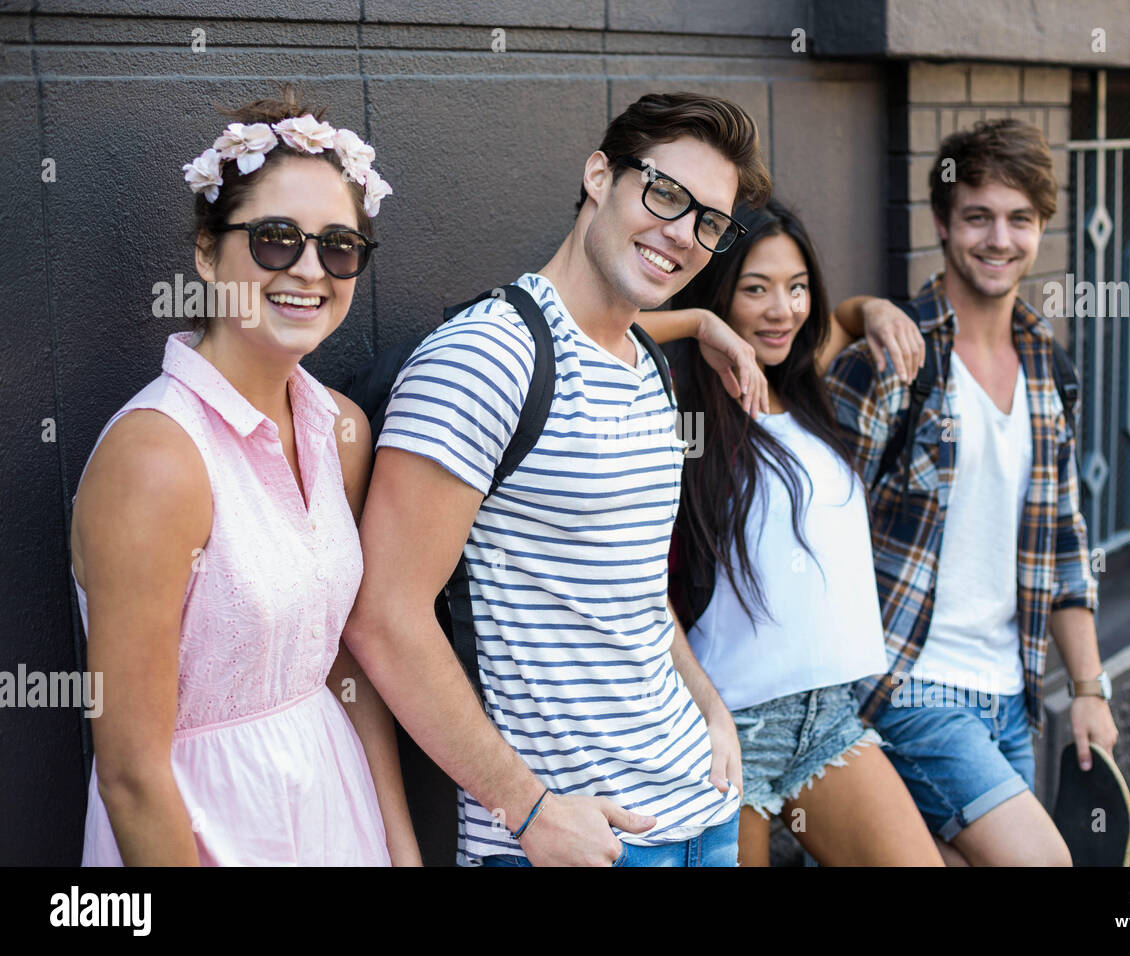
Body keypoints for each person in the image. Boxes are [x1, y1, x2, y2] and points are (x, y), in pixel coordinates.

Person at [344, 92, 772, 866]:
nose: (683, 235)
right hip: (574, 841)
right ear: (600, 176)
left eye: (710, 222)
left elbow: (635, 592)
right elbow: (381, 615)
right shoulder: (486, 358)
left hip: (704, 813)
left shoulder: (649, 370)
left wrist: (709, 705)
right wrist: (529, 808)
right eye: (666, 194)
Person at [69, 87, 419, 865]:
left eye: (338, 246)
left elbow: (344, 664)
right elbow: (129, 775)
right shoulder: (157, 457)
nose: (308, 269)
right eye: (273, 238)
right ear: (205, 251)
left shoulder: (342, 430)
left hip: (333, 802)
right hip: (204, 827)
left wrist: (400, 847)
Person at [826, 119, 1118, 866]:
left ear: (1042, 226)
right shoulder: (891, 361)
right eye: (978, 216)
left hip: (1012, 698)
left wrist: (1088, 687)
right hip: (910, 687)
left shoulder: (1050, 366)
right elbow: (812, 529)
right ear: (942, 225)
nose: (1000, 239)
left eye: (1020, 219)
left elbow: (1064, 539)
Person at [639, 200, 943, 866]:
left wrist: (874, 311)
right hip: (724, 726)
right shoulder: (675, 394)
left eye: (796, 285)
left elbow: (835, 319)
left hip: (826, 717)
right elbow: (583, 327)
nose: (783, 309)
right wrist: (695, 324)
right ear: (718, 295)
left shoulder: (799, 378)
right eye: (755, 289)